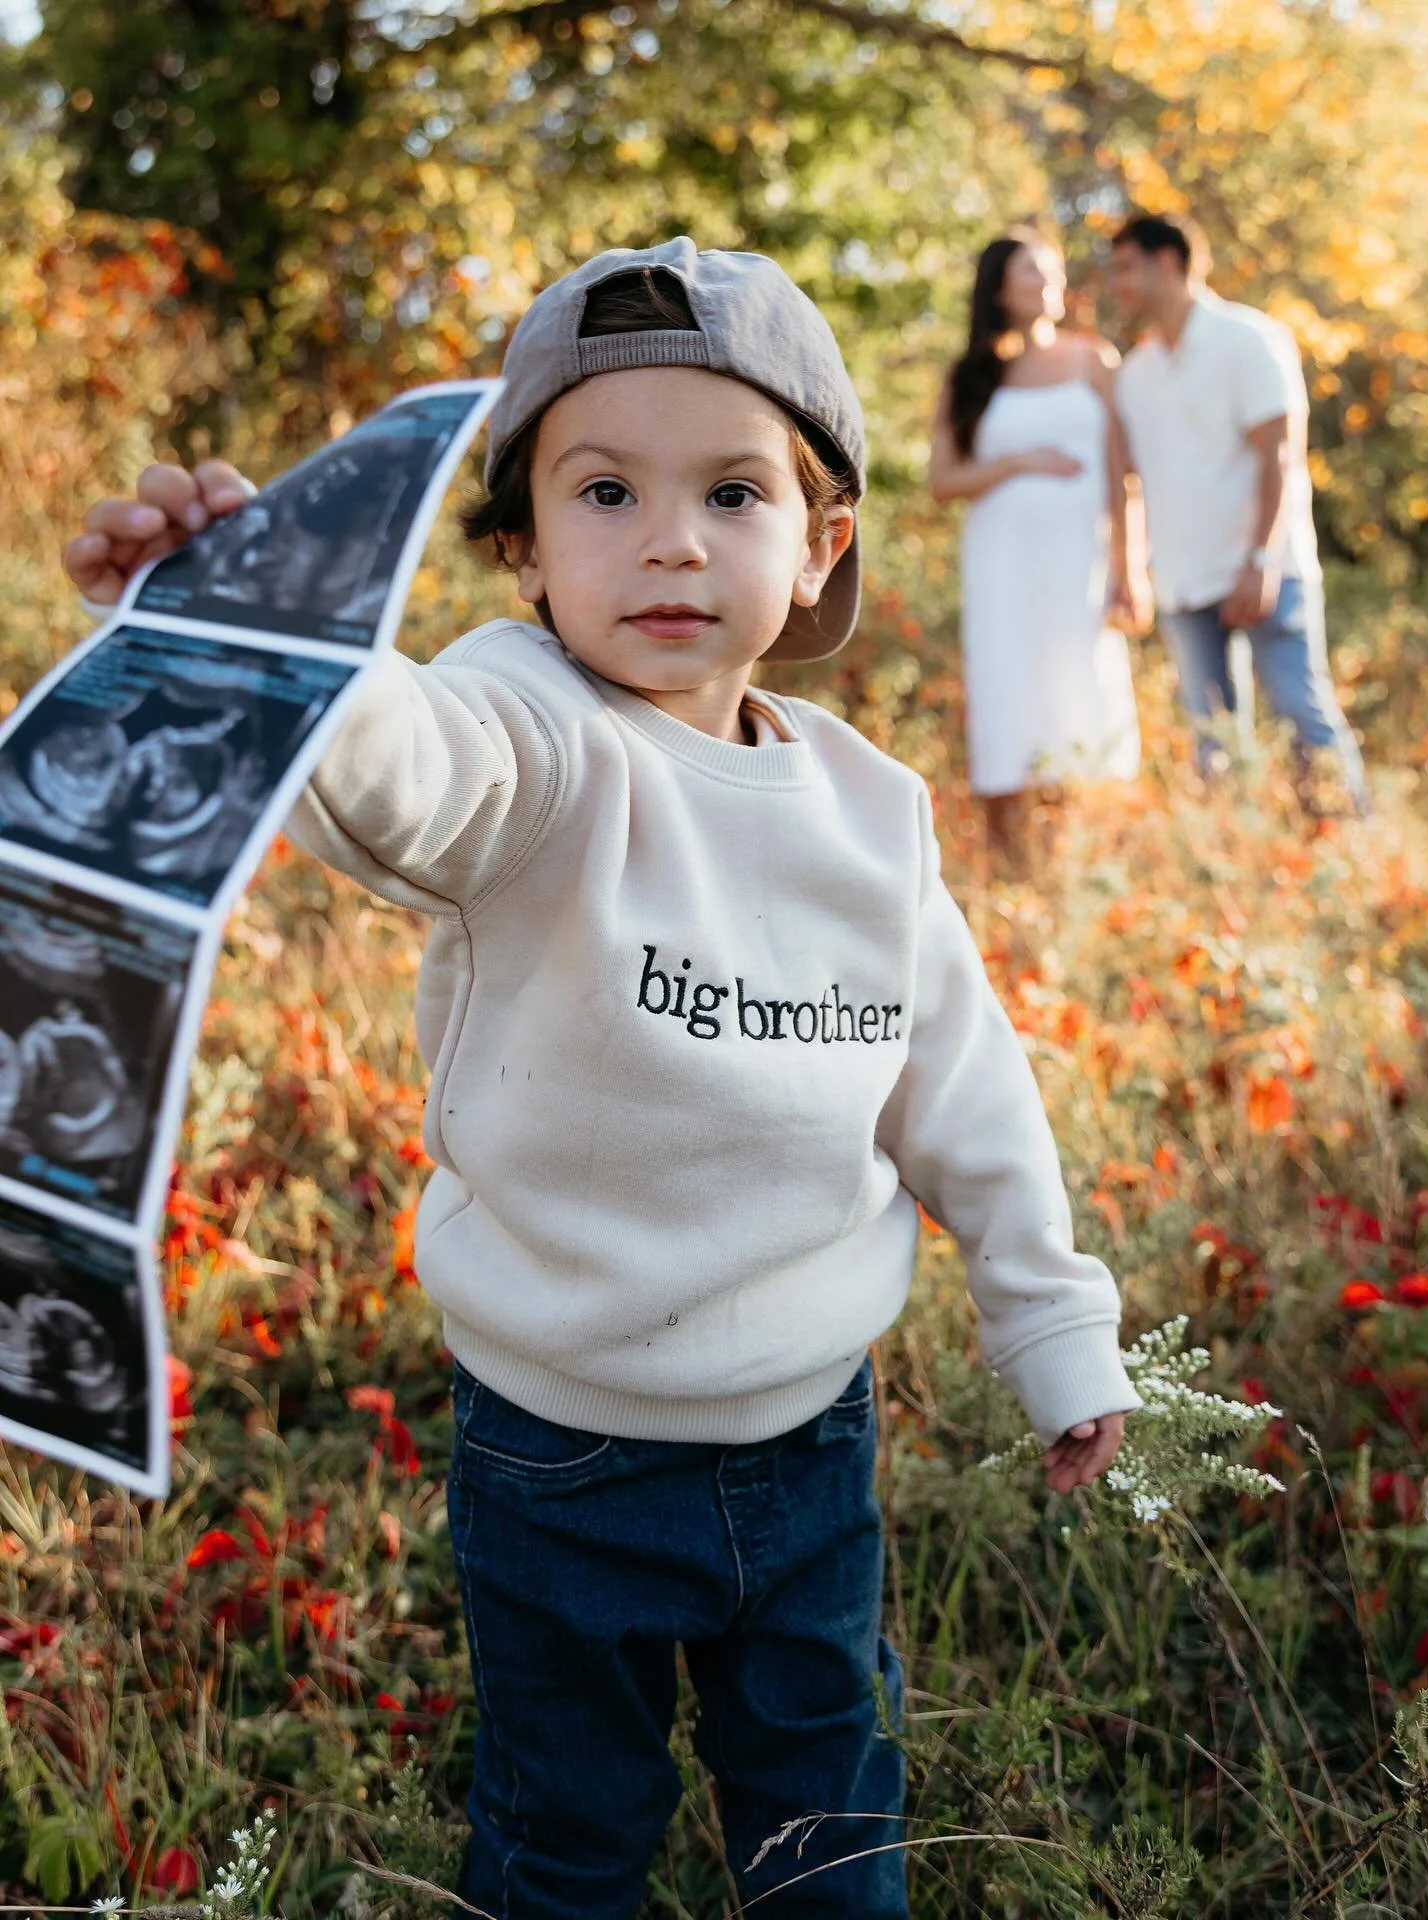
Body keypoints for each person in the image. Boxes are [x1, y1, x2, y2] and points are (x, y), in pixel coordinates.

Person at [64, 239, 1142, 1920]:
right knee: (568, 1832)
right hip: (561, 1448)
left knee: (830, 1819)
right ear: (523, 553)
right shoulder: (536, 731)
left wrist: (1051, 1320)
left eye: (730, 491)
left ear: (819, 545)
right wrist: (264, 635)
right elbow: (409, 775)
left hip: (810, 1435)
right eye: (602, 492)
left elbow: (963, 1082)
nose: (668, 539)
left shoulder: (872, 808)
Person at [1109, 212, 1367, 812]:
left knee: (1305, 716)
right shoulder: (1134, 375)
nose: (1117, 283)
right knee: (1214, 741)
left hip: (1266, 573)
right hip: (1184, 581)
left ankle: (1351, 849)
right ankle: (1240, 862)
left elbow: (1278, 457)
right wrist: (1134, 569)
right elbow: (1129, 484)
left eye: (1127, 267)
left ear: (1169, 261)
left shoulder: (1250, 339)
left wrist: (1260, 560)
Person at [929, 228, 1143, 870]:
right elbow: (944, 481)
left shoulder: (1093, 359)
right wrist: (1020, 462)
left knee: (1080, 693)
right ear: (1000, 287)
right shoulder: (970, 376)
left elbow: (1122, 474)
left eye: (1053, 271)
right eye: (1032, 272)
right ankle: (1010, 869)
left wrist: (1131, 570)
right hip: (1002, 566)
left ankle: (1082, 865)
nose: (1049, 283)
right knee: (1008, 693)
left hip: (1078, 563)